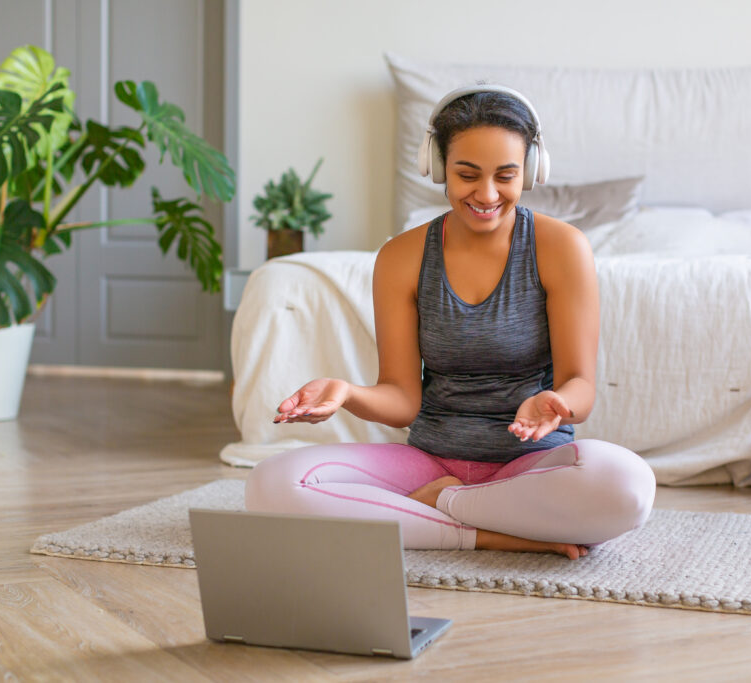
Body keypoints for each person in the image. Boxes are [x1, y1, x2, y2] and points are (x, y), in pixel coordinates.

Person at [244, 85, 655, 560]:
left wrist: (558, 402)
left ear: (531, 170)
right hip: (428, 459)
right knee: (269, 486)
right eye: (467, 175)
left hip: (531, 469)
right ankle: (486, 533)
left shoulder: (561, 247)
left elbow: (581, 386)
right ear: (438, 167)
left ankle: (438, 506)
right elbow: (401, 399)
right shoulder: (402, 256)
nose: (486, 194)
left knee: (627, 486)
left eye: (506, 175)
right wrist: (347, 393)